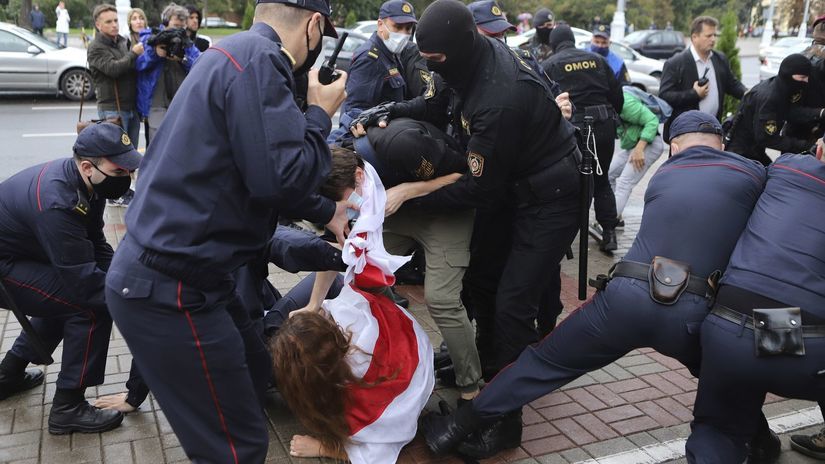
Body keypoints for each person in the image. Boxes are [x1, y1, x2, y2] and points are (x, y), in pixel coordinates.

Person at [420, 111, 772, 461]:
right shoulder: (751, 173)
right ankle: (759, 439)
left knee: (541, 364)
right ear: (722, 145)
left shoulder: (665, 176)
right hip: (694, 312)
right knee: (728, 378)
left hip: (626, 298)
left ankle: (455, 428)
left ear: (673, 149)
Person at [103, 0, 350, 460]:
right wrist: (320, 114)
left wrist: (325, 210)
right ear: (314, 25)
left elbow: (256, 171)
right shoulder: (264, 60)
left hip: (189, 278)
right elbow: (282, 177)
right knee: (235, 446)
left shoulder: (234, 51)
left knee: (256, 370)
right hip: (170, 287)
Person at [355, 0, 582, 379]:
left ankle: (501, 412)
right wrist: (390, 111)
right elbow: (434, 101)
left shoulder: (499, 98)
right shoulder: (466, 59)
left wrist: (411, 194)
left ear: (457, 49)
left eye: (435, 58)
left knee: (513, 302)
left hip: (551, 197)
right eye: (425, 57)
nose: (429, 65)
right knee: (480, 276)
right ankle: (487, 357)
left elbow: (479, 190)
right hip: (514, 183)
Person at [272, 152, 433, 463]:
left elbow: (378, 452)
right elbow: (337, 256)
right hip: (408, 342)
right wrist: (313, 304)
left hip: (410, 378)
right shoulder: (346, 309)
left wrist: (325, 447)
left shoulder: (366, 388)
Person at [683, 145, 825, 463]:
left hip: (737, 322)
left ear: (818, 150)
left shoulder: (787, 168)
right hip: (801, 337)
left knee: (719, 431)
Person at [0, 122, 141, 434]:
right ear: (88, 166)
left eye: (129, 172)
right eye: (120, 172)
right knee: (89, 306)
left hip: (22, 254)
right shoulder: (59, 200)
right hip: (6, 266)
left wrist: (126, 276)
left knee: (69, 298)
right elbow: (83, 282)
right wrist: (130, 296)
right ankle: (68, 406)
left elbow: (96, 244)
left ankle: (7, 375)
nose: (127, 180)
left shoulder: (89, 183)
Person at [346, 123, 483, 400]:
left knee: (441, 299)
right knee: (362, 274)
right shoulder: (343, 168)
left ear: (359, 175)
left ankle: (471, 389)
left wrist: (408, 190)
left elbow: (465, 175)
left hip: (446, 212)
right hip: (401, 214)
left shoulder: (403, 146)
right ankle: (400, 349)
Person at [543, 24, 624, 251]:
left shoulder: (550, 64)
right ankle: (609, 234)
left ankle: (566, 239)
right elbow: (618, 97)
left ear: (553, 43)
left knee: (572, 183)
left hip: (574, 128)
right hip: (603, 125)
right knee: (601, 179)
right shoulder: (597, 60)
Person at [331, 0, 419, 145]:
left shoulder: (391, 54)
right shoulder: (370, 57)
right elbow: (355, 111)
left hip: (388, 137)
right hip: (370, 141)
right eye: (397, 27)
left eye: (408, 28)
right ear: (380, 25)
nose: (404, 34)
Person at [660, 16, 746, 141]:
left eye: (715, 35)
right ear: (694, 37)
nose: (713, 39)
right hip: (685, 134)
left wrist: (748, 93)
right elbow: (664, 95)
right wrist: (694, 94)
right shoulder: (676, 63)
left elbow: (731, 84)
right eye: (708, 36)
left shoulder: (720, 59)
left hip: (713, 131)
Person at [726, 54, 815, 165]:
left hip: (754, 149)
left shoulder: (781, 88)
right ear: (788, 74)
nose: (805, 81)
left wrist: (819, 113)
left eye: (807, 77)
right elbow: (767, 138)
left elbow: (790, 112)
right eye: (802, 78)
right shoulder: (770, 97)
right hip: (741, 153)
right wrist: (805, 146)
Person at [136, 3, 202, 143]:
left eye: (181, 26)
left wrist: (182, 58)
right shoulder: (151, 38)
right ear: (166, 22)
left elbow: (200, 66)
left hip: (180, 100)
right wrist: (155, 53)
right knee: (157, 142)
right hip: (156, 101)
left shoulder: (186, 41)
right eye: (175, 25)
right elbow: (138, 64)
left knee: (179, 142)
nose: (178, 30)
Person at [87, 4, 143, 148]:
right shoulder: (95, 47)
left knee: (131, 153)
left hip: (131, 107)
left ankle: (129, 172)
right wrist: (134, 53)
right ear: (98, 25)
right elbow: (113, 69)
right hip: (112, 109)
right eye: (109, 22)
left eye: (116, 20)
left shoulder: (122, 42)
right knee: (116, 156)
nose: (114, 25)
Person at [608, 88, 665, 219]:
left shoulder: (625, 103)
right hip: (633, 146)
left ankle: (609, 223)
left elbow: (652, 121)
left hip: (648, 144)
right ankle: (616, 215)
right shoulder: (607, 107)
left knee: (624, 182)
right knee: (608, 175)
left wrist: (639, 149)